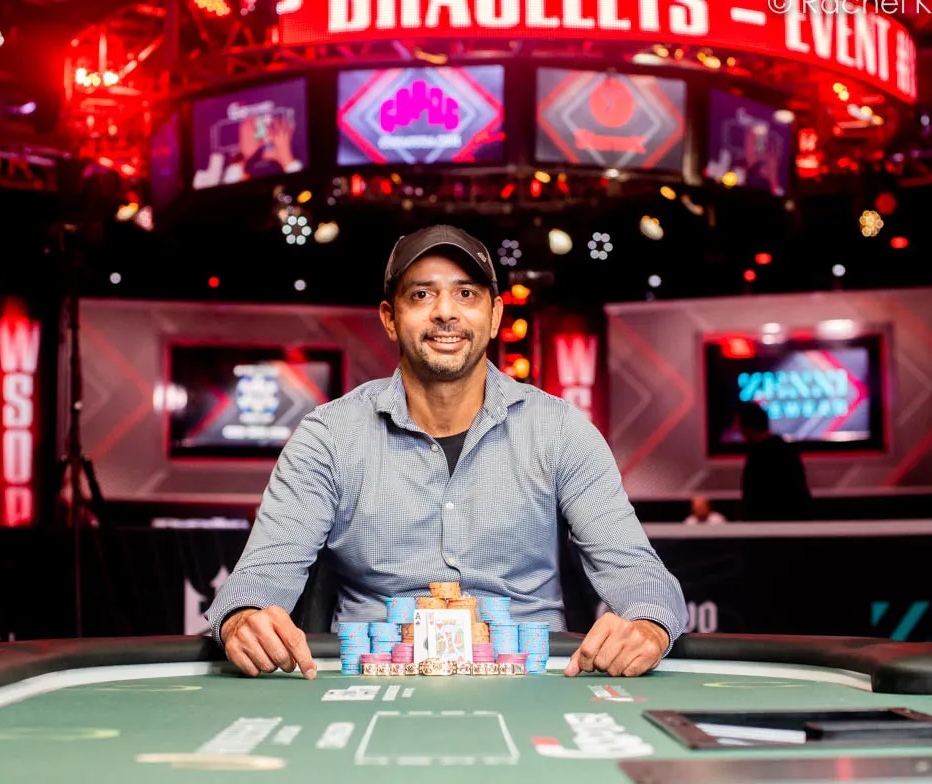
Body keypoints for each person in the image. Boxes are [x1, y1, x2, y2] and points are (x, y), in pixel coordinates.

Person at [207, 225, 686, 680]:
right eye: (421, 295)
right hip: (371, 682)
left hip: (532, 681)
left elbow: (639, 574)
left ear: (495, 316)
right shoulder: (328, 437)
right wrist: (243, 617)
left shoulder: (560, 430)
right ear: (389, 318)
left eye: (466, 294)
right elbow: (260, 576)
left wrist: (647, 624)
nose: (445, 312)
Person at [738, 402, 812, 521]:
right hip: (793, 525)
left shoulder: (757, 456)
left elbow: (752, 500)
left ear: (746, 427)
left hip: (765, 526)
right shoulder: (788, 450)